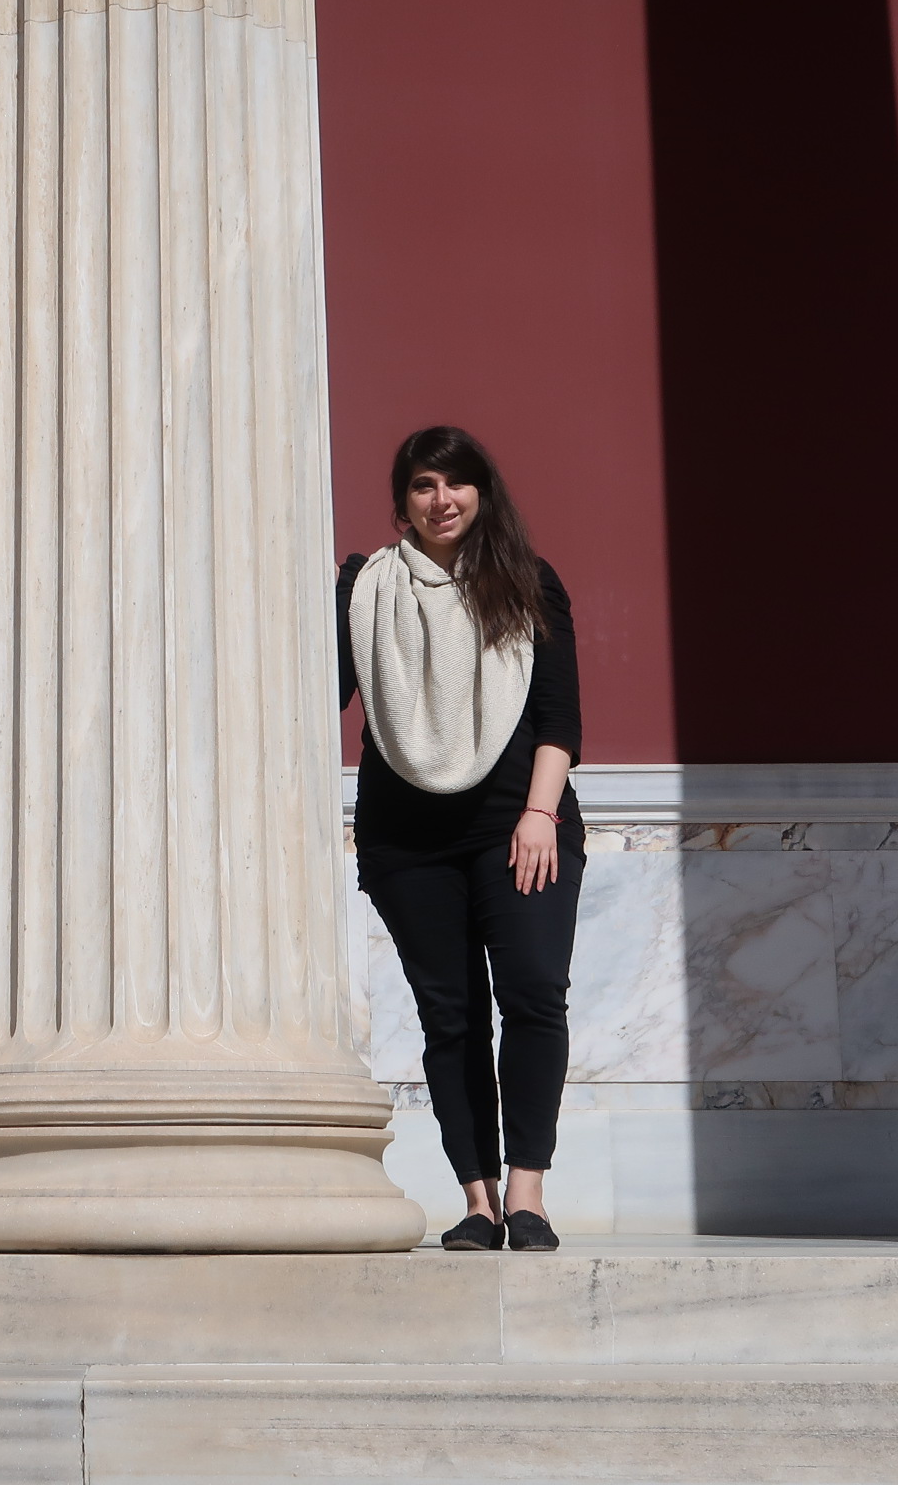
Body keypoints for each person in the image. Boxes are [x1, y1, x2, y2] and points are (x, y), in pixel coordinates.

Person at [338, 426, 582, 1254]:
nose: (441, 500)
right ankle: (479, 1202)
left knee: (534, 994)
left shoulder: (527, 582)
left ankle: (527, 1194)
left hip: (520, 824)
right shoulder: (366, 589)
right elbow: (318, 690)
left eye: (455, 483)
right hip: (408, 839)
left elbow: (559, 720)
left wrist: (540, 815)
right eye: (422, 485)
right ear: (403, 502)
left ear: (482, 491)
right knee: (452, 1017)